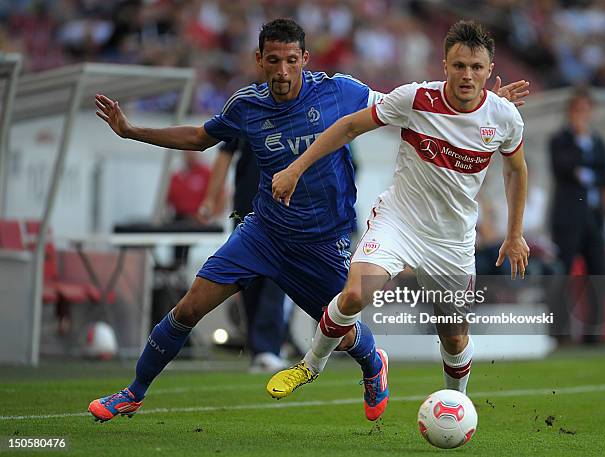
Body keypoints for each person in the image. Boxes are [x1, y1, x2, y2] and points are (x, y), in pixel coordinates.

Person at [88, 18, 529, 423]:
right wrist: (132, 131)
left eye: (291, 60)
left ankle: (374, 363)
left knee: (347, 326)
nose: (282, 70)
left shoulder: (340, 91)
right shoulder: (246, 105)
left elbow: (409, 110)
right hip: (264, 231)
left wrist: (476, 107)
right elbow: (201, 137)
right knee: (189, 306)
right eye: (273, 60)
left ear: (305, 60)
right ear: (259, 60)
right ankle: (133, 392)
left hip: (322, 240)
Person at [267, 20, 530, 405]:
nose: (467, 75)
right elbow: (348, 127)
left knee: (454, 336)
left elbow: (516, 169)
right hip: (399, 223)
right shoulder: (415, 99)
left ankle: (455, 402)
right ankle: (310, 365)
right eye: (459, 66)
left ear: (489, 70)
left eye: (476, 67)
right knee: (356, 293)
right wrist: (295, 167)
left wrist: (514, 232)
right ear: (444, 66)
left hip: (452, 241)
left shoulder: (504, 117)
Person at [198, 138, 289, 372]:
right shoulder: (246, 106)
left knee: (276, 276)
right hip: (246, 206)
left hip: (285, 206)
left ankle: (267, 348)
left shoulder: (300, 105)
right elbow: (225, 152)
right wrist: (209, 199)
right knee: (248, 279)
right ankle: (260, 349)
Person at [549, 87, 605, 343]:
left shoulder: (597, 143)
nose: (581, 115)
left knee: (599, 273)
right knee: (562, 273)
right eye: (577, 110)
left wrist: (583, 172)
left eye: (585, 110)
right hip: (568, 218)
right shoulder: (560, 140)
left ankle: (593, 333)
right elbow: (564, 168)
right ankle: (560, 333)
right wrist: (585, 171)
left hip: (593, 218)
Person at [166, 150, 220, 268]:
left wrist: (212, 216)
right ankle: (177, 267)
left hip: (199, 219)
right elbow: (168, 200)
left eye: (191, 152)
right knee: (178, 239)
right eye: (186, 153)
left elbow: (222, 196)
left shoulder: (206, 173)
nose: (189, 155)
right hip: (180, 220)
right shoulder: (177, 176)